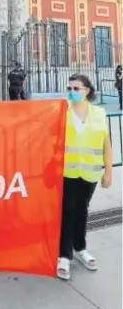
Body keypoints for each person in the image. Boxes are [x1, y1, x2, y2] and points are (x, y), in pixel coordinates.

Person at [57, 74, 112, 281]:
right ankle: (64, 254)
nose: (71, 91)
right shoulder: (63, 111)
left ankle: (80, 248)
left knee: (82, 210)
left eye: (76, 88)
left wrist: (108, 172)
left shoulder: (99, 113)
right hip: (68, 171)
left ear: (87, 90)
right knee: (67, 210)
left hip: (90, 172)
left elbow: (106, 144)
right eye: (69, 87)